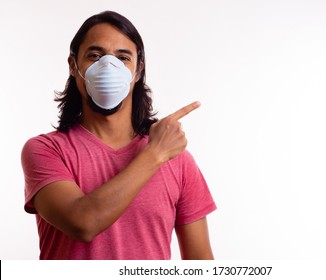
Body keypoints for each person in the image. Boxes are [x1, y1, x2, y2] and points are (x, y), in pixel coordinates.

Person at [21, 11, 216, 260]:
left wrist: (161, 152)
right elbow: (83, 223)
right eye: (95, 55)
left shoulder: (177, 160)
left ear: (137, 71)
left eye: (123, 57)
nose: (108, 66)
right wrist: (155, 154)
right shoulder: (45, 150)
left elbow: (201, 264)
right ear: (73, 65)